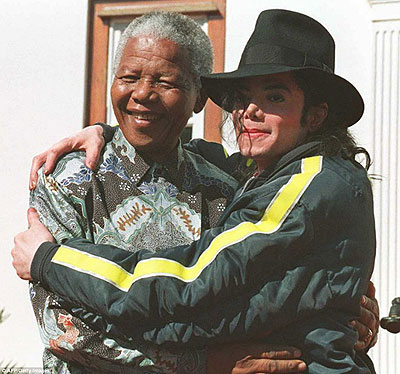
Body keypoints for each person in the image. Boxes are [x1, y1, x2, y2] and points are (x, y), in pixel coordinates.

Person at [12, 9, 379, 373]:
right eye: (129, 77)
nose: (142, 94)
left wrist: (342, 306)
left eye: (164, 83)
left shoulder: (232, 182)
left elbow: (196, 285)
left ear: (199, 98)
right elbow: (64, 329)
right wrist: (199, 363)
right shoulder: (70, 179)